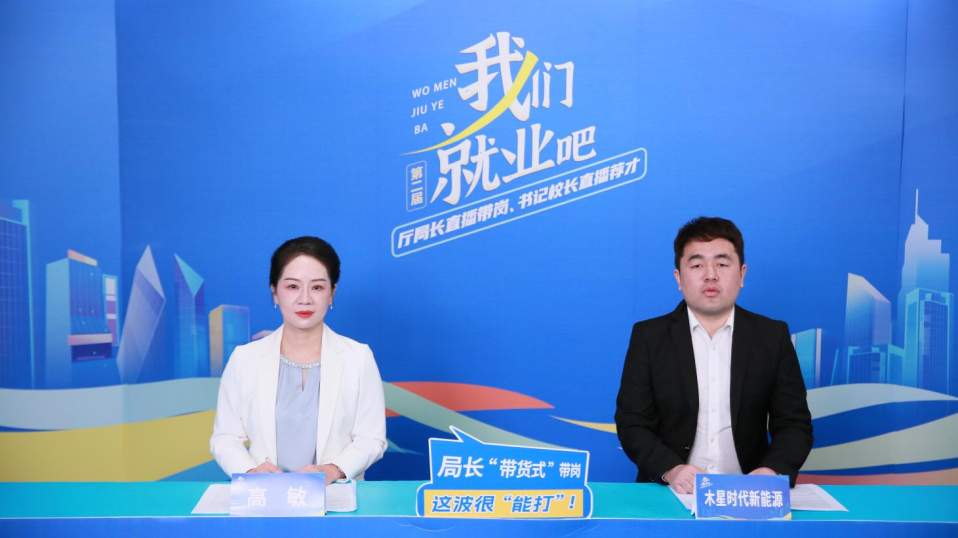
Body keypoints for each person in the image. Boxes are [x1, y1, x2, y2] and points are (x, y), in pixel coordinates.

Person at [614, 217, 812, 493]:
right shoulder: (649, 336)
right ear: (678, 278)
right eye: (697, 265)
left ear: (742, 274)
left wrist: (771, 471)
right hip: (671, 491)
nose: (710, 275)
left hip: (749, 492)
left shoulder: (771, 336)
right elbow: (632, 422)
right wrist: (671, 469)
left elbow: (794, 423)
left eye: (722, 264)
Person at [210, 236, 386, 484]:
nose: (305, 299)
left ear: (332, 293)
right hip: (265, 494)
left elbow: (371, 439)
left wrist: (333, 470)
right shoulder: (244, 359)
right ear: (275, 292)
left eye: (317, 287)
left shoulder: (358, 357)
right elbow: (225, 437)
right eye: (292, 286)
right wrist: (249, 472)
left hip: (334, 494)